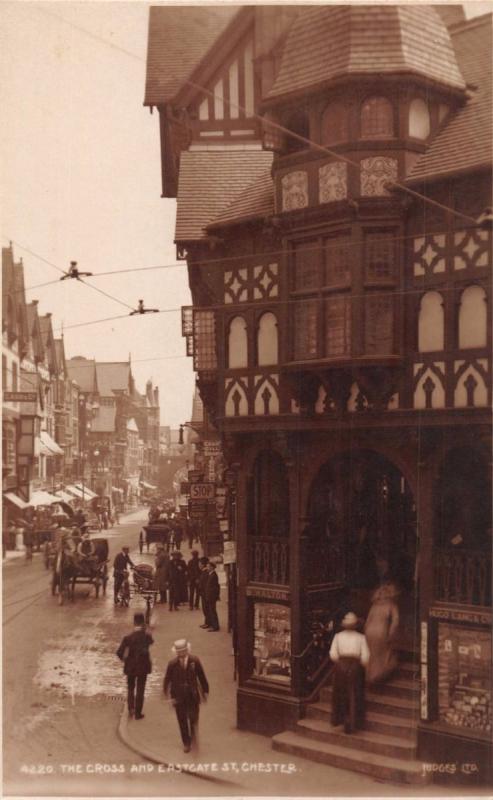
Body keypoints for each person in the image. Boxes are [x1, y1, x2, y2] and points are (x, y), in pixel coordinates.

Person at [163, 638, 209, 753]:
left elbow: (201, 676)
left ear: (187, 650)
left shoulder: (194, 661)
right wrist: (167, 694)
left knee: (193, 718)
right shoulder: (172, 664)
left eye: (183, 651)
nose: (181, 654)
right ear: (176, 652)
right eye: (179, 652)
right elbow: (167, 680)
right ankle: (186, 743)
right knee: (182, 720)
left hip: (192, 695)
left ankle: (193, 736)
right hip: (178, 696)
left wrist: (205, 690)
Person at [329, 611, 370, 734]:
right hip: (355, 667)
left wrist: (340, 663)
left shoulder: (338, 636)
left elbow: (333, 654)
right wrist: (362, 665)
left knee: (341, 693)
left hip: (341, 665)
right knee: (354, 693)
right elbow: (366, 657)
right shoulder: (361, 638)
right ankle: (354, 721)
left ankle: (341, 719)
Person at [116, 612, 153, 719]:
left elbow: (119, 652)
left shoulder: (128, 638)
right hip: (143, 667)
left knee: (131, 688)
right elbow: (151, 642)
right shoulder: (146, 636)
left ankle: (131, 708)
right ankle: (138, 713)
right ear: (143, 623)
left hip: (130, 667)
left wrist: (125, 660)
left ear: (134, 622)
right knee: (140, 689)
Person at [364, 582, 400, 684]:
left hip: (369, 631)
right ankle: (378, 676)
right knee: (382, 653)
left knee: (372, 654)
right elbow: (395, 622)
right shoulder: (392, 605)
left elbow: (367, 621)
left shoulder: (374, 605)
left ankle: (370, 676)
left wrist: (366, 632)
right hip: (381, 631)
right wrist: (391, 634)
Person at [203, 560, 220, 631]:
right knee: (210, 611)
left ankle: (215, 626)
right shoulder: (210, 574)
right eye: (207, 566)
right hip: (209, 596)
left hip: (211, 597)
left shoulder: (214, 575)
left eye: (208, 567)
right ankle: (211, 624)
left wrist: (215, 596)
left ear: (212, 567)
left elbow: (215, 588)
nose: (207, 568)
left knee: (212, 611)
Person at [198, 557, 210, 628]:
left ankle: (208, 623)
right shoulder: (204, 572)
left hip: (205, 594)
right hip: (204, 593)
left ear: (203, 565)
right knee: (205, 609)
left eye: (199, 564)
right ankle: (207, 622)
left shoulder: (205, 573)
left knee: (206, 609)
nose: (199, 565)